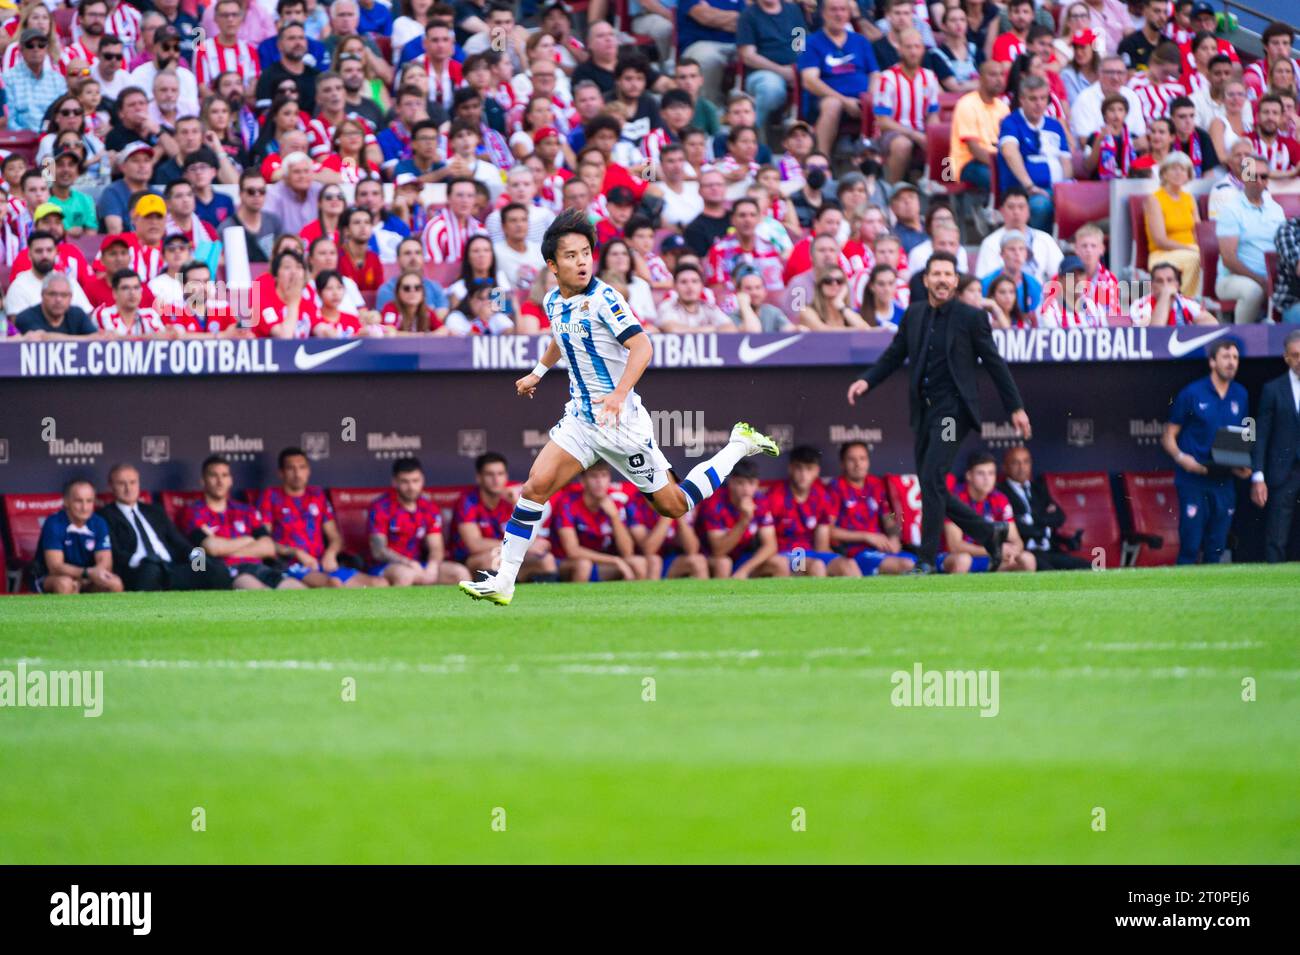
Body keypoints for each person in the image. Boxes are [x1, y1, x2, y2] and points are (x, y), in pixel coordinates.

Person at [459, 210, 781, 606]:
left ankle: (737, 445)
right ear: (552, 265)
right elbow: (562, 338)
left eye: (586, 254)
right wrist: (539, 372)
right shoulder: (552, 301)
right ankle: (504, 581)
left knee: (674, 505)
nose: (581, 262)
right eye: (572, 255)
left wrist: (618, 394)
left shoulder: (606, 298)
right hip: (580, 419)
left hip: (621, 424)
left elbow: (642, 346)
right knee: (534, 487)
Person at [846, 252, 1032, 574]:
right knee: (931, 483)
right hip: (924, 412)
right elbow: (893, 355)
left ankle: (927, 559)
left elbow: (994, 363)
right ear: (926, 280)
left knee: (932, 478)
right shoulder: (914, 315)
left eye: (948, 274)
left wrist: (1015, 406)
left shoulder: (971, 318)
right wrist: (867, 380)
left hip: (952, 413)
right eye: (937, 274)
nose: (943, 279)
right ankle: (989, 532)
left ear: (956, 281)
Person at [1161, 338, 1251, 564]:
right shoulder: (1192, 393)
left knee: (1217, 549)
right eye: (1225, 357)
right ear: (1212, 362)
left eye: (1235, 358)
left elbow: (1237, 436)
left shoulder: (1240, 394)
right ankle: (1181, 597)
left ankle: (1211, 598)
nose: (1231, 363)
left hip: (1223, 480)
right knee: (1190, 546)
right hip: (1194, 478)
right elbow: (1168, 436)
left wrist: (1240, 465)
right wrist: (1183, 459)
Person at [256, 447, 388, 588]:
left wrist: (330, 553)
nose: (297, 473)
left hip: (322, 564)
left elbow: (335, 537)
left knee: (380, 583)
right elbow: (264, 541)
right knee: (334, 584)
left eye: (302, 467)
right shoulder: (270, 496)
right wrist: (296, 552)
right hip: (290, 566)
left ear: (308, 470)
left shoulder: (317, 495)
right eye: (291, 468)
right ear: (281, 473)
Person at [96, 463, 232, 592]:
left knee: (216, 569)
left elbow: (181, 544)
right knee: (150, 569)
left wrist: (202, 562)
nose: (128, 488)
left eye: (133, 482)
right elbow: (116, 553)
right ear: (111, 486)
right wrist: (146, 560)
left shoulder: (155, 511)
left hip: (170, 569)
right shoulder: (105, 516)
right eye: (122, 483)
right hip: (138, 571)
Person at [179, 455, 304, 590]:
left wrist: (225, 550)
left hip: (259, 568)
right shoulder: (194, 512)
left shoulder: (246, 510)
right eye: (213, 476)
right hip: (226, 572)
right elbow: (212, 548)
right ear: (203, 481)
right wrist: (248, 539)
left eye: (225, 475)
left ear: (230, 480)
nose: (220, 481)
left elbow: (268, 547)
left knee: (298, 590)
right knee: (261, 592)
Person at [452, 451, 558, 582]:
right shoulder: (468, 501)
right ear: (479, 477)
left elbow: (537, 541)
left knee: (547, 560)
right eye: (489, 474)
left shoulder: (512, 498)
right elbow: (475, 544)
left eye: (500, 474)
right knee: (494, 559)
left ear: (506, 476)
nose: (496, 479)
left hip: (507, 553)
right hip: (473, 559)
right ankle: (492, 599)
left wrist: (516, 505)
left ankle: (541, 601)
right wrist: (522, 546)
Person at [366, 457, 470, 587]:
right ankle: (398, 608)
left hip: (419, 564)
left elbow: (436, 547)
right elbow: (379, 551)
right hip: (386, 566)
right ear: (394, 482)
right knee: (405, 575)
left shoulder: (428, 507)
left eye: (415, 481)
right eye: (405, 482)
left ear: (422, 480)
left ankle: (456, 608)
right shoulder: (381, 507)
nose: (411, 487)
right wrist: (407, 563)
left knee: (460, 573)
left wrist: (432, 566)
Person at [797, 0, 879, 155]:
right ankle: (822, 159)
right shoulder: (811, 42)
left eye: (843, 10)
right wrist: (844, 100)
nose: (838, 14)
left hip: (862, 99)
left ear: (849, 14)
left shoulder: (860, 41)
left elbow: (875, 74)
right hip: (825, 100)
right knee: (833, 104)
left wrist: (869, 97)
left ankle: (874, 164)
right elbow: (809, 81)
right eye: (833, 10)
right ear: (823, 14)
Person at [550, 461, 652, 582]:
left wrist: (614, 517)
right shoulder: (568, 503)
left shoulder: (615, 503)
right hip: (565, 563)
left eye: (604, 476)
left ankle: (632, 601)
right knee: (584, 565)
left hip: (601, 564)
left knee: (638, 563)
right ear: (583, 481)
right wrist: (614, 560)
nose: (599, 482)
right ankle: (577, 600)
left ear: (609, 479)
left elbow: (627, 551)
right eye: (594, 476)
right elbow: (572, 551)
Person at [1215, 155, 1286, 325]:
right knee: (1253, 290)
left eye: (1264, 176)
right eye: (1254, 175)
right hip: (1232, 279)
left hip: (1272, 277)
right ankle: (1242, 339)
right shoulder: (1231, 210)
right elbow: (1228, 259)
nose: (1259, 181)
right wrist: (1260, 280)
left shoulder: (1276, 209)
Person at [939, 451, 1036, 574]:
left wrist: (1012, 551)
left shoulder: (999, 498)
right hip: (953, 557)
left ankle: (1015, 594)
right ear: (969, 476)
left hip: (989, 557)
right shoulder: (955, 499)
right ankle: (955, 593)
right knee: (963, 560)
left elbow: (1017, 541)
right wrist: (996, 550)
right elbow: (955, 546)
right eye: (981, 473)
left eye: (991, 473)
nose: (987, 479)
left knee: (1027, 559)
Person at [998, 75, 1072, 232]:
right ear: (1022, 99)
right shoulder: (1011, 122)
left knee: (1081, 202)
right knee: (1040, 206)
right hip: (1024, 192)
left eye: (1043, 98)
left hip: (1056, 189)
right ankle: (1040, 246)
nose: (1039, 104)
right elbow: (1010, 153)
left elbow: (1066, 162)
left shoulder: (1055, 126)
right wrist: (1030, 186)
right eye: (1033, 99)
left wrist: (1065, 189)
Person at [1250, 330, 1300, 563]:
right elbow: (1262, 435)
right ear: (1286, 358)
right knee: (1277, 536)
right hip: (1283, 474)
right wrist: (1258, 476)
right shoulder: (1273, 389)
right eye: (1296, 355)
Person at [998, 446, 1091, 570]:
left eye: (1026, 462)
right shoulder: (1000, 493)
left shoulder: (1038, 488)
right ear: (1004, 466)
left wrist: (1030, 519)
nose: (1022, 467)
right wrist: (1041, 522)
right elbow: (1015, 527)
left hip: (1051, 549)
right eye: (1015, 463)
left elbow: (1059, 517)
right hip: (1025, 552)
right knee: (1050, 574)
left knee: (1088, 567)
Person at [699, 459, 787, 580]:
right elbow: (718, 550)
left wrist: (744, 570)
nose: (746, 489)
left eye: (751, 483)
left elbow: (770, 546)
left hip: (743, 557)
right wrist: (744, 520)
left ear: (757, 485)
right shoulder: (715, 503)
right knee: (724, 563)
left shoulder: (760, 501)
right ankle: (721, 598)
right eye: (740, 483)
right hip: (712, 558)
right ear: (731, 483)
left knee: (780, 563)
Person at [33, 479, 123, 595]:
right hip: (54, 577)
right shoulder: (54, 523)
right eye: (78, 501)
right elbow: (55, 567)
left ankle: (106, 614)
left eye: (89, 501)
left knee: (114, 583)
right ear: (66, 502)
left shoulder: (99, 522)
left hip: (88, 577)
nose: (84, 507)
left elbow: (105, 561)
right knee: (65, 583)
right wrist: (86, 573)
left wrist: (92, 575)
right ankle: (65, 614)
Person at [950, 60, 1010, 202]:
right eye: (993, 75)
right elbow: (975, 150)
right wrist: (1003, 165)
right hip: (967, 163)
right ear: (980, 79)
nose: (999, 79)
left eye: (1002, 75)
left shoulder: (1003, 107)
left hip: (995, 160)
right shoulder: (966, 104)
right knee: (1002, 178)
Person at [1145, 151, 1202, 297]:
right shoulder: (1154, 199)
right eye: (1173, 168)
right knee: (1196, 259)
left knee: (1210, 257)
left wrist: (1200, 248)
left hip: (1190, 250)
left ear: (1188, 175)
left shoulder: (1189, 198)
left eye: (1182, 169)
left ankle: (1202, 302)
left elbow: (1198, 232)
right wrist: (1190, 249)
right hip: (1162, 254)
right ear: (1164, 173)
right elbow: (1160, 240)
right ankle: (1184, 301)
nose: (1178, 173)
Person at [13, 273, 98, 338]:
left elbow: (96, 338)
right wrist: (85, 339)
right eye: (52, 294)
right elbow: (42, 338)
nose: (58, 300)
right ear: (42, 295)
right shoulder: (26, 317)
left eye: (64, 295)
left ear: (71, 297)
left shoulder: (78, 314)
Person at [1130, 262, 1215, 325]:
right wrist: (1165, 296)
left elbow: (1213, 325)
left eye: (1169, 280)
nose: (1165, 285)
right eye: (1159, 281)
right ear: (1152, 285)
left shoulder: (1185, 303)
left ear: (1177, 285)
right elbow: (1153, 335)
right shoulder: (1140, 304)